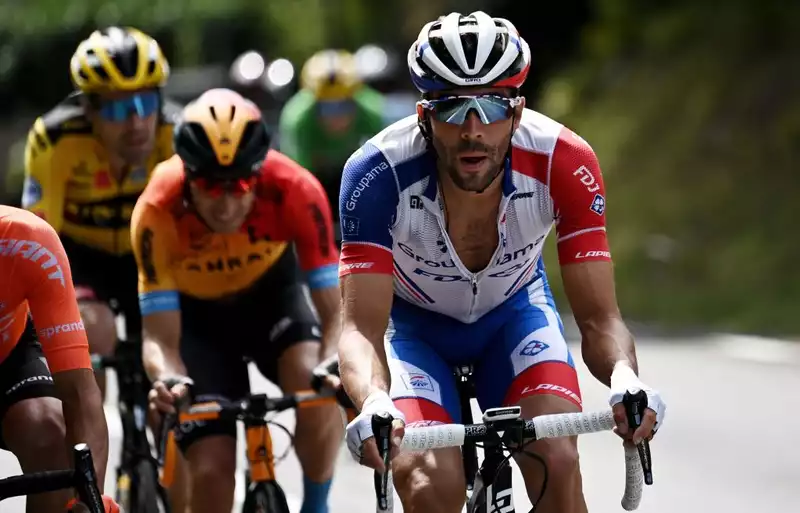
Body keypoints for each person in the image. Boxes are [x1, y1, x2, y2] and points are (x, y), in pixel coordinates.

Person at [337, 10, 667, 513]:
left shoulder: (564, 161)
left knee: (557, 463)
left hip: (513, 317)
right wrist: (375, 402)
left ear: (517, 112)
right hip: (413, 331)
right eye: (451, 110)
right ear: (424, 116)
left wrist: (625, 377)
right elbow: (360, 328)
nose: (473, 130)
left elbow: (600, 319)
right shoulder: (376, 173)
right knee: (429, 483)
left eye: (491, 108)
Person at [131, 88, 344, 513]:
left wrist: (336, 360)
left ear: (260, 172)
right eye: (210, 185)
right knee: (211, 469)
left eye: (242, 183)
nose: (227, 203)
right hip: (198, 321)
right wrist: (169, 380)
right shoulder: (157, 208)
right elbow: (160, 339)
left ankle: (316, 507)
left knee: (316, 384)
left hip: (272, 299)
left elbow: (337, 309)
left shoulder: (296, 189)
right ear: (188, 175)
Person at [21, 26, 179, 398]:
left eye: (145, 104)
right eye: (119, 108)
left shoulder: (176, 131)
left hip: (148, 251)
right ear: (89, 108)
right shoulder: (54, 140)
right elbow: (41, 238)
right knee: (97, 327)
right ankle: (95, 429)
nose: (136, 123)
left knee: (170, 335)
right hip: (80, 255)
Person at [0, 206, 117, 512]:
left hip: (9, 354)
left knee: (48, 427)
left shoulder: (26, 241)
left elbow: (79, 392)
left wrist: (91, 500)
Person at [278, 49, 387, 234]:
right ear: (313, 102)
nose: (336, 117)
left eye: (343, 105)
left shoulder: (373, 113)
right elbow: (298, 183)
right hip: (316, 177)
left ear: (355, 98)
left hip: (357, 176)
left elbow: (387, 171)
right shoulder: (297, 121)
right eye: (326, 108)